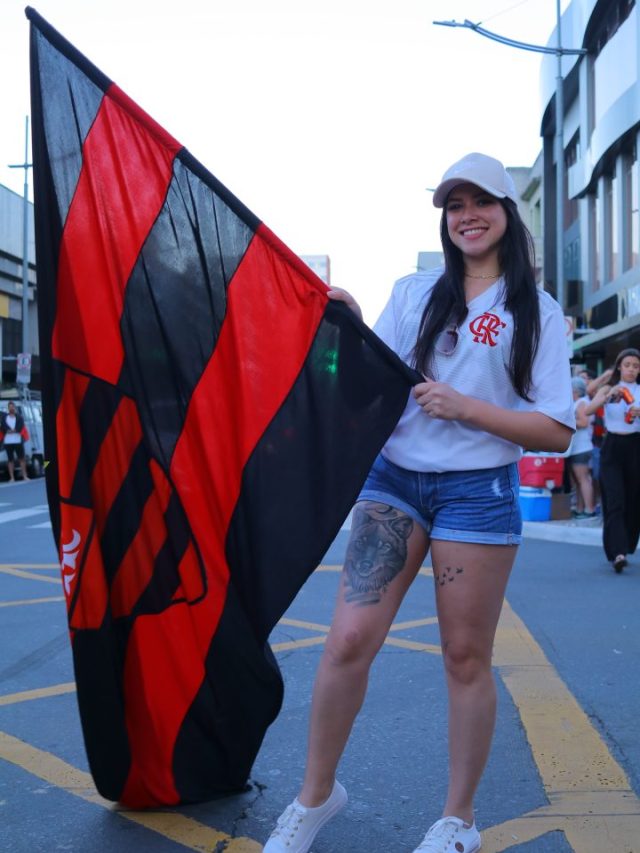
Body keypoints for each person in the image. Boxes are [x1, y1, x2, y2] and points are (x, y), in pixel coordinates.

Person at [262, 152, 574, 853]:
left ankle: (457, 819)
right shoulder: (413, 292)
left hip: (479, 491)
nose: (468, 215)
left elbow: (556, 426)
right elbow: (373, 374)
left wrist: (468, 408)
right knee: (346, 640)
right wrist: (345, 326)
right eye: (454, 204)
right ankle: (314, 797)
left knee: (465, 655)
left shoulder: (538, 314)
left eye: (481, 202)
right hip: (394, 480)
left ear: (506, 213)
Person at [585, 348, 640, 573]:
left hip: (636, 446)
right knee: (614, 499)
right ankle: (617, 552)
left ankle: (626, 545)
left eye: (636, 366)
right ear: (619, 366)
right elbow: (588, 410)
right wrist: (607, 397)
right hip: (612, 446)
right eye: (627, 365)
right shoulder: (610, 388)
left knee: (634, 500)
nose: (631, 369)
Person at [564, 376, 597, 518]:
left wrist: (567, 420)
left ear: (575, 390)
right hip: (577, 447)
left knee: (583, 479)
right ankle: (580, 508)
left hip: (582, 447)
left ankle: (589, 509)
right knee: (578, 480)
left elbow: (583, 422)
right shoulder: (578, 403)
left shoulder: (582, 402)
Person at [0, 401, 30, 483]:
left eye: (12, 406)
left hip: (18, 440)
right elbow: (3, 426)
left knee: (22, 459)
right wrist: (8, 430)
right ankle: (12, 478)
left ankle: (25, 476)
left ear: (15, 407)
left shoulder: (19, 417)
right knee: (10, 460)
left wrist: (15, 430)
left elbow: (21, 426)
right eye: (9, 407)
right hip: (8, 442)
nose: (11, 408)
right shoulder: (4, 418)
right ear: (8, 408)